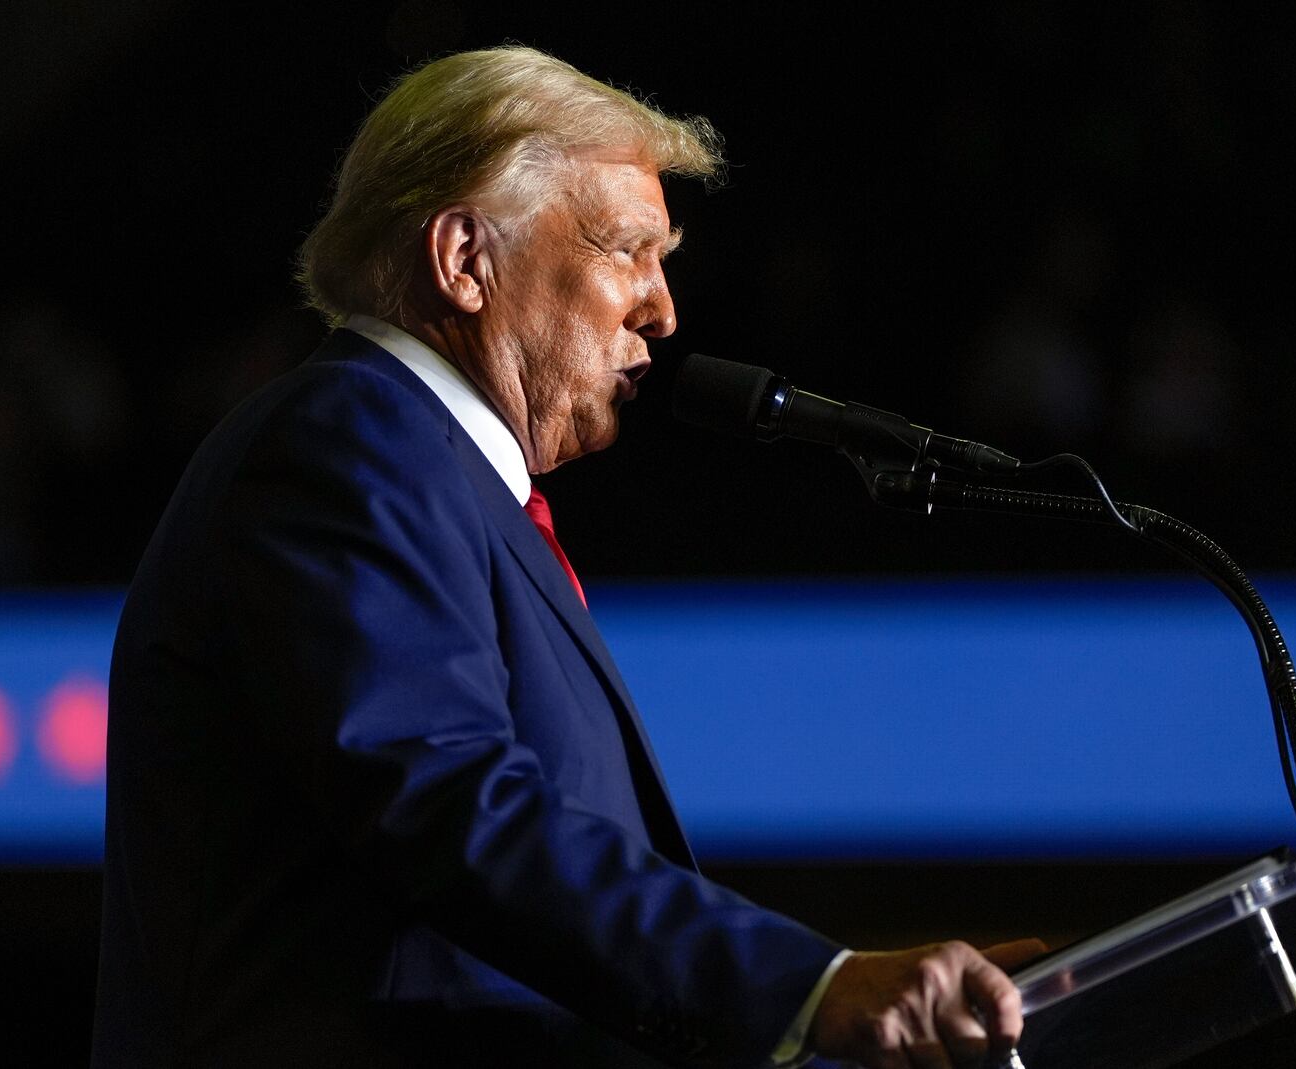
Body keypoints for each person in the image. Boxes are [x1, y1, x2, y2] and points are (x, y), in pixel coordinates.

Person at [92, 46, 1044, 1068]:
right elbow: (448, 804)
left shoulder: (448, 482)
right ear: (464, 259)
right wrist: (808, 988)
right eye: (628, 249)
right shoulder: (345, 442)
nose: (664, 309)